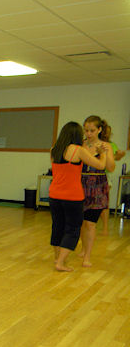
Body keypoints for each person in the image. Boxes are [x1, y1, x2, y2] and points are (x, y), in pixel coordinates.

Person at [48, 122, 106, 272]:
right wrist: (103, 153)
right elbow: (100, 165)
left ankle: (57, 258)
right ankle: (60, 262)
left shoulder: (54, 149)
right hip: (72, 196)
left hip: (54, 195)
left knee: (57, 227)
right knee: (73, 229)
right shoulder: (78, 150)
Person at [79, 115, 115, 267]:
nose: (88, 134)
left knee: (91, 223)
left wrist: (104, 153)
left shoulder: (106, 146)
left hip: (98, 186)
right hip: (81, 185)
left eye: (92, 130)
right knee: (81, 222)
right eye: (86, 130)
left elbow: (111, 168)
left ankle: (87, 256)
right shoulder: (81, 144)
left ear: (99, 130)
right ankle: (83, 247)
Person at [96, 124, 126, 234]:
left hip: (106, 175)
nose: (107, 134)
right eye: (106, 132)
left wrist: (120, 155)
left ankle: (105, 227)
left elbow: (113, 158)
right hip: (92, 175)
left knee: (104, 201)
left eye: (109, 132)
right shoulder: (94, 143)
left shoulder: (111, 145)